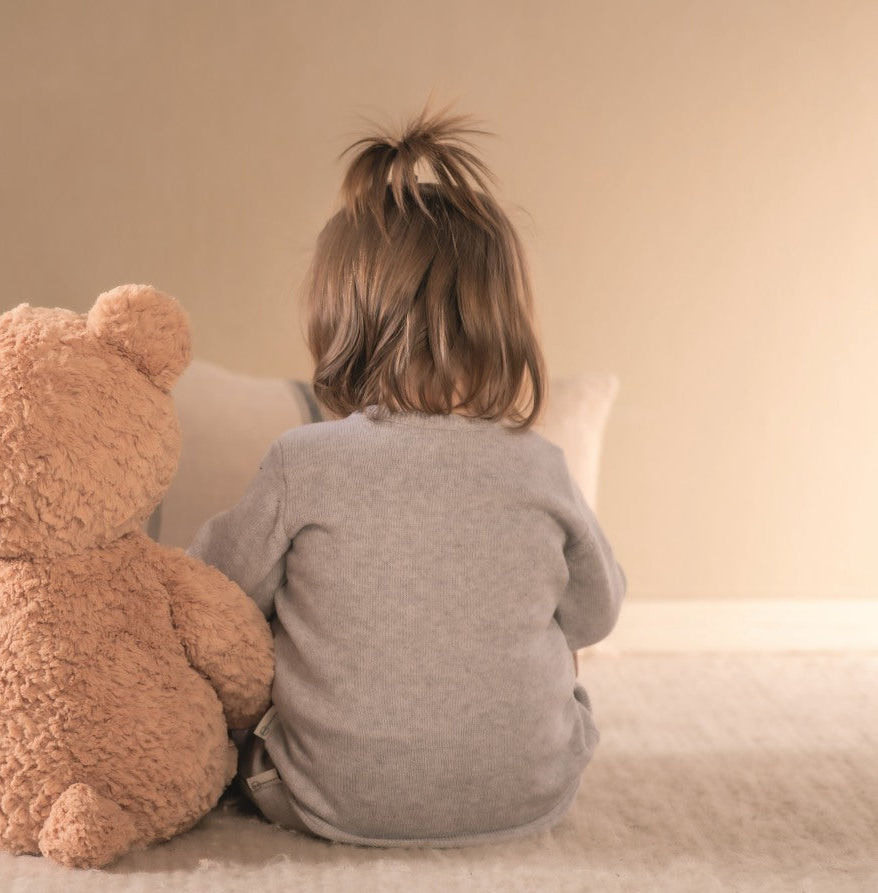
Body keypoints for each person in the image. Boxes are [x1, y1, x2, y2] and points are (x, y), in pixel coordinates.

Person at [188, 109, 626, 847]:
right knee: (558, 641)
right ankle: (505, 750)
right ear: (505, 325)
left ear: (339, 323)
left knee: (249, 674)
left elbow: (216, 589)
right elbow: (596, 615)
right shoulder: (540, 465)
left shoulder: (304, 460)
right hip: (527, 794)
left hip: (327, 796)